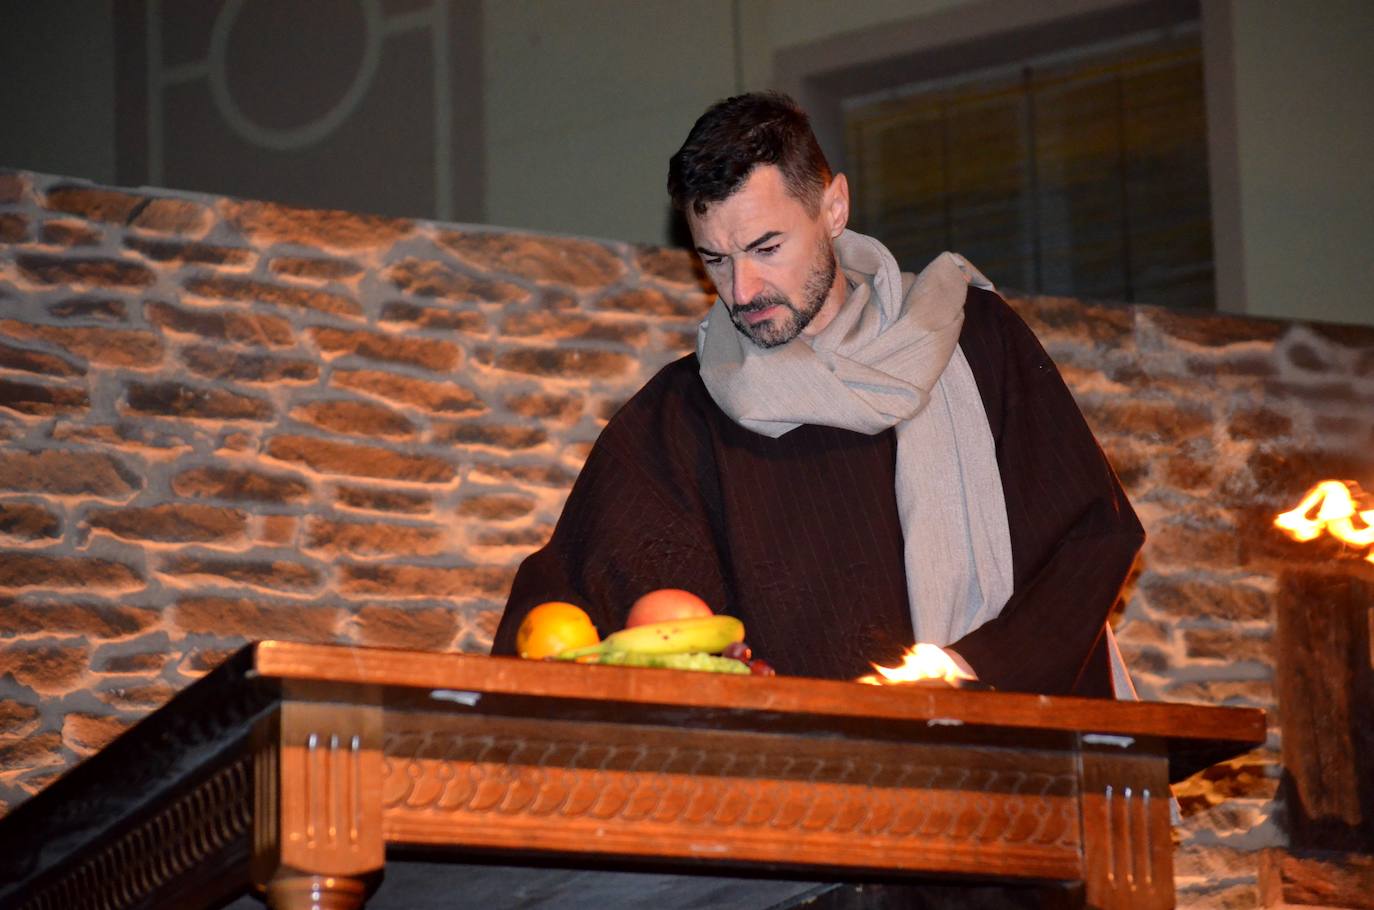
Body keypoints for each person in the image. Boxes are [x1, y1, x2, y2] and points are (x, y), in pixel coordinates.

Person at [491, 92, 1143, 698]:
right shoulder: (683, 417)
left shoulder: (974, 344)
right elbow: (576, 612)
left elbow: (1093, 535)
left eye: (765, 247)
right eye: (714, 259)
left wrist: (975, 670)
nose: (742, 290)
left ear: (833, 208)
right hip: (804, 798)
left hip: (1004, 775)